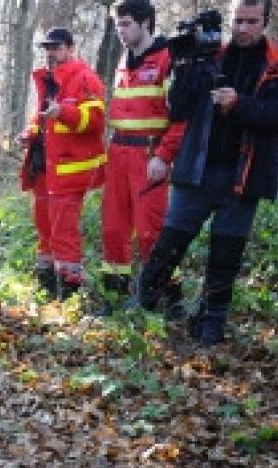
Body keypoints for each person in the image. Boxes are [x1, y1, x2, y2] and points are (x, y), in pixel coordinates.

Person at [134, 0, 278, 345]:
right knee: (170, 243)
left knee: (226, 253)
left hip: (244, 176)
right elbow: (178, 109)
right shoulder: (212, 56)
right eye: (238, 20)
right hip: (197, 170)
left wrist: (239, 104)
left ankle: (212, 322)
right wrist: (183, 68)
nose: (243, 28)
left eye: (251, 21)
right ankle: (143, 305)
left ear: (265, 21)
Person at [98, 0, 186, 314]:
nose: (120, 31)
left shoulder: (167, 59)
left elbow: (180, 118)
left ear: (146, 22)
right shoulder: (125, 59)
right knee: (113, 229)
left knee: (152, 230)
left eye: (126, 24)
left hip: (148, 155)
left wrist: (163, 156)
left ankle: (168, 298)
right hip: (118, 153)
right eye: (118, 24)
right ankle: (115, 297)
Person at [18, 27, 108, 300]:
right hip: (43, 167)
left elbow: (95, 122)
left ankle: (69, 292)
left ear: (70, 48)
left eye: (56, 47)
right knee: (44, 226)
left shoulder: (85, 79)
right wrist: (29, 133)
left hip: (68, 171)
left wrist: (64, 113)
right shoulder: (47, 80)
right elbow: (41, 119)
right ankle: (47, 287)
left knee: (63, 231)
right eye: (47, 48)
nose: (51, 53)